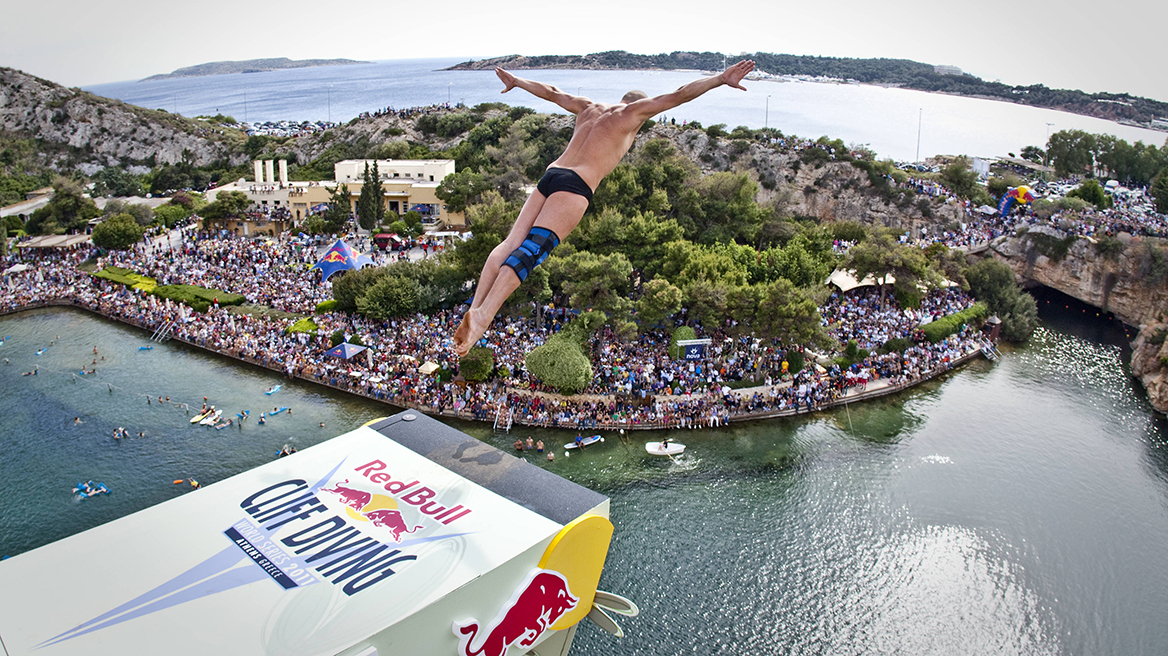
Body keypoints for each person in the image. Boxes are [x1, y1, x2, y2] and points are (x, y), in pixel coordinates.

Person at [453, 59, 756, 357]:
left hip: (551, 174)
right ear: (641, 108)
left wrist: (518, 82)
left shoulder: (588, 108)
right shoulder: (634, 113)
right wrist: (719, 79)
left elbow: (552, 91)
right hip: (575, 184)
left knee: (510, 244)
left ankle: (476, 306)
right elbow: (678, 95)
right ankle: (482, 317)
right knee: (533, 249)